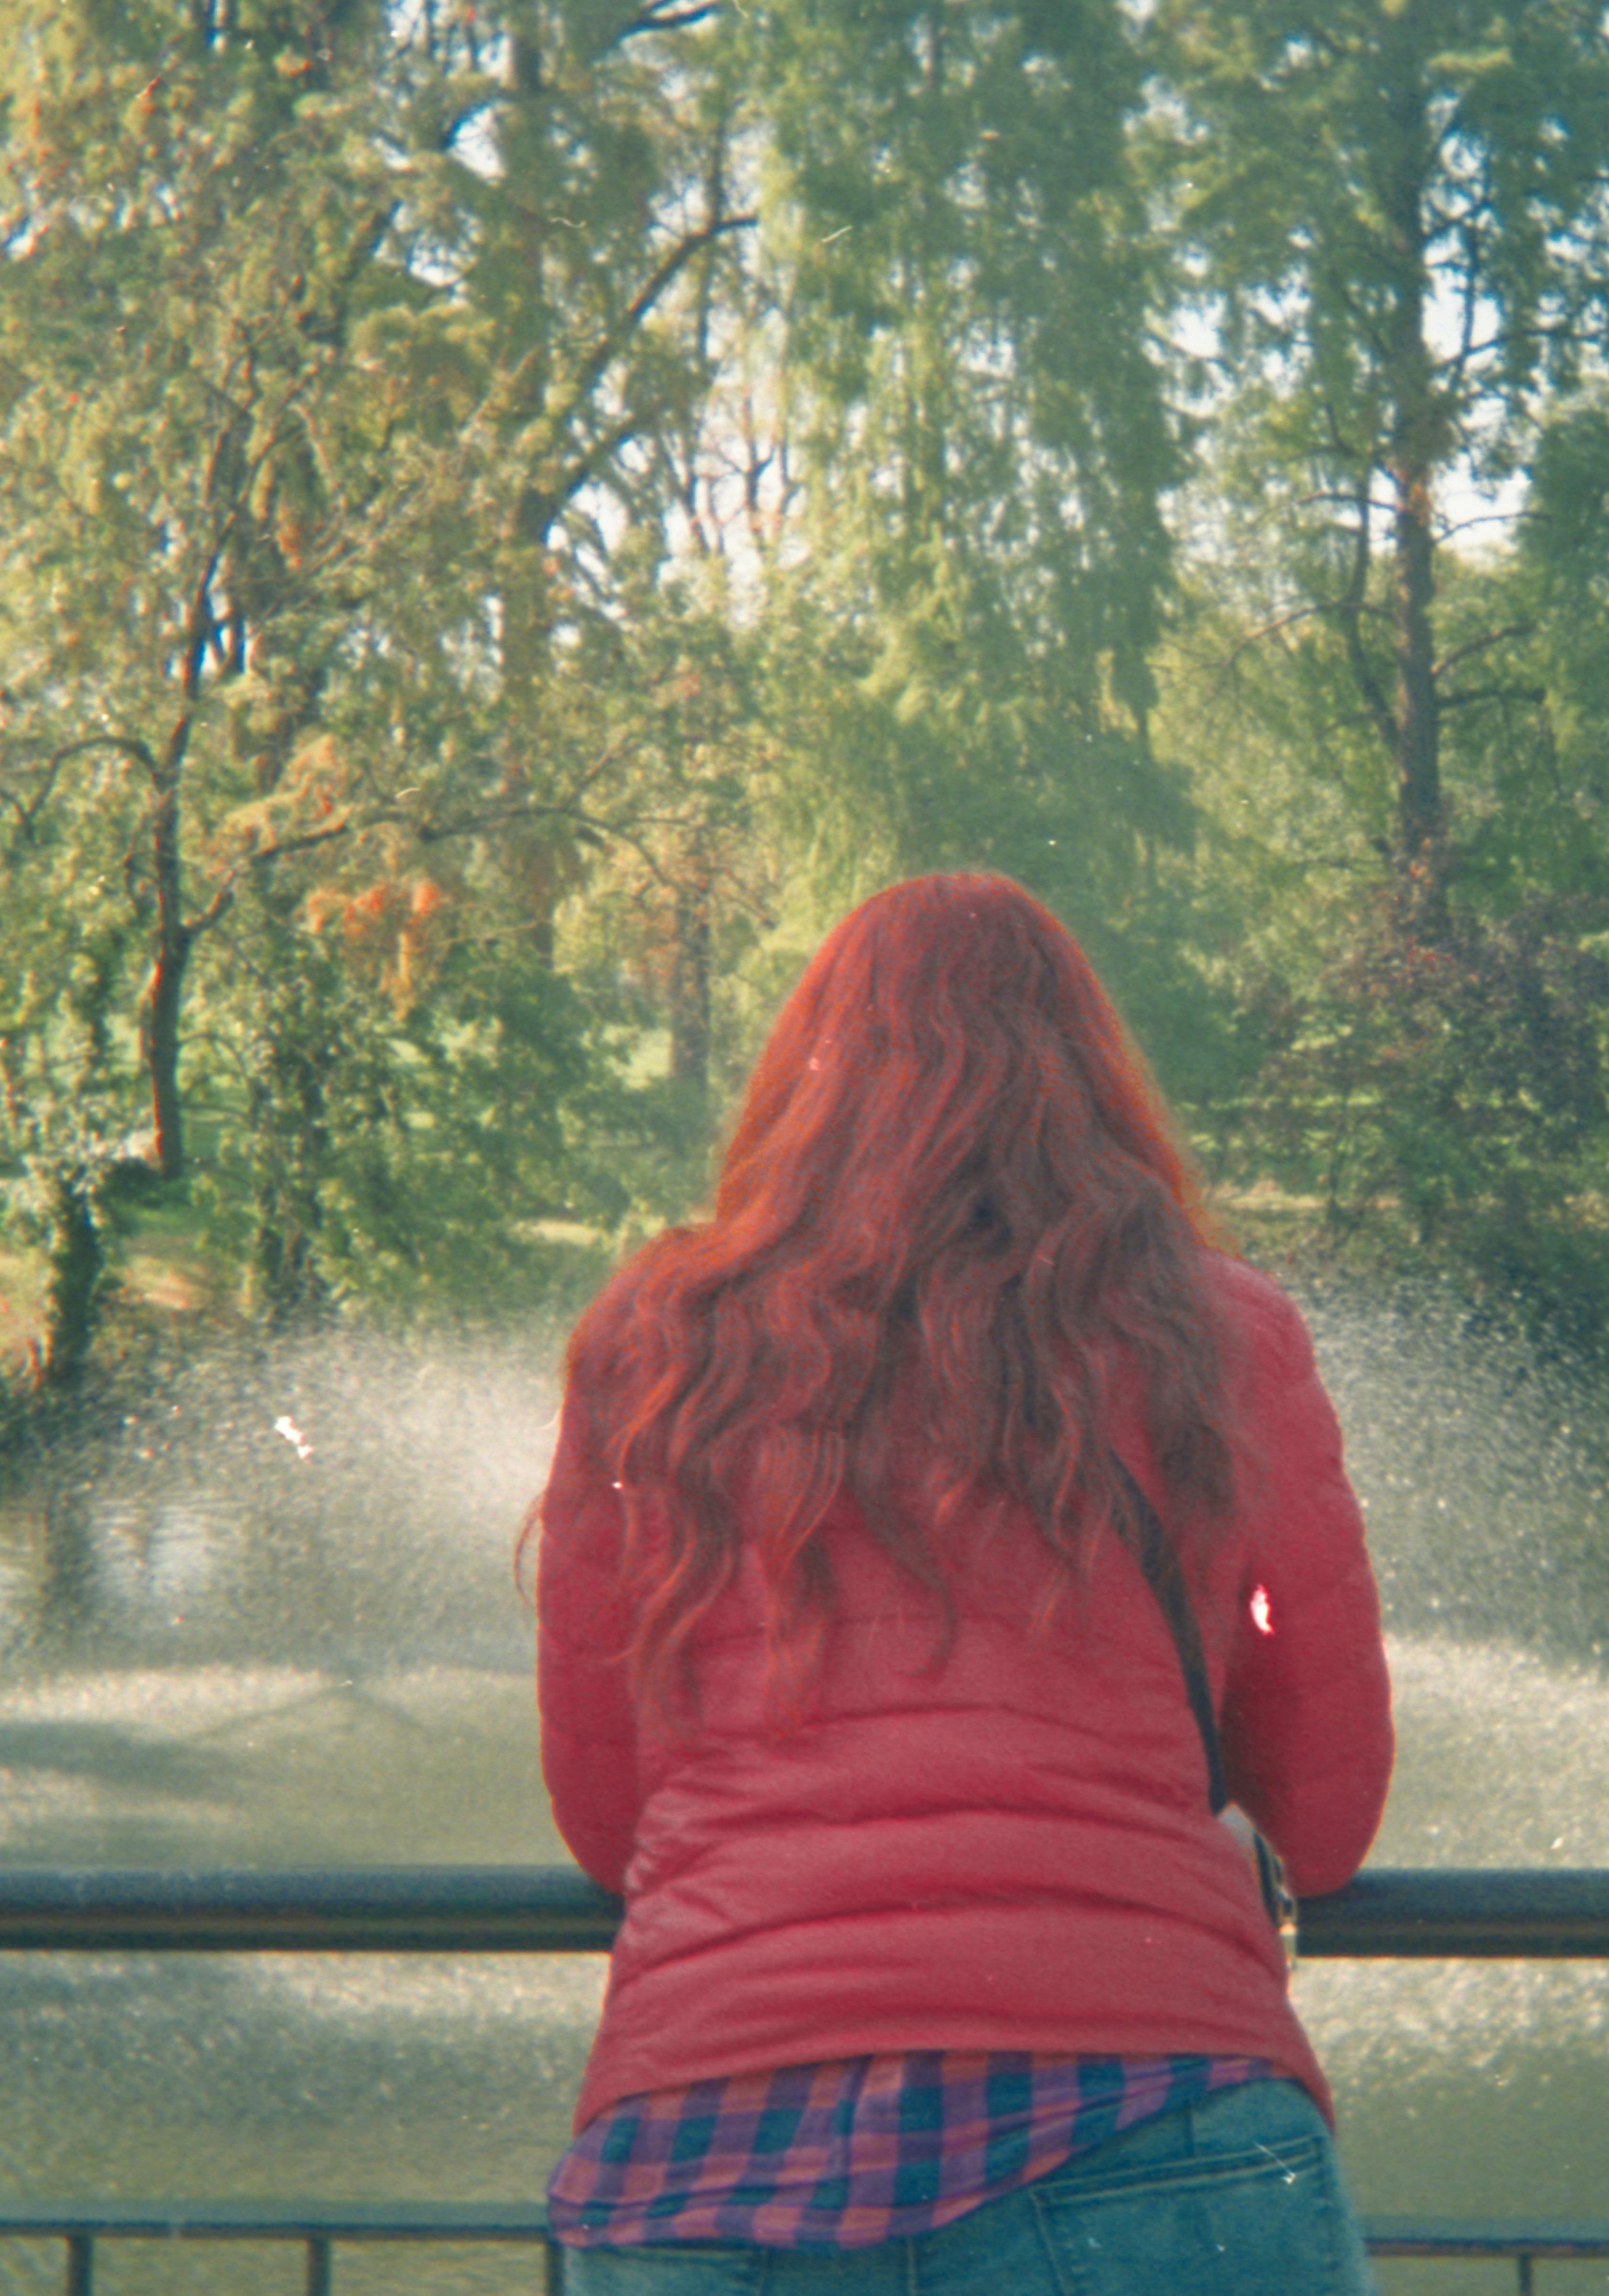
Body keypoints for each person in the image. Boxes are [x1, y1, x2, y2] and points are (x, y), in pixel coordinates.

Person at [534, 873, 1397, 2292]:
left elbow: (606, 1817)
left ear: (809, 1077)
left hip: (709, 2144)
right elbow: (1328, 1815)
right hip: (1153, 2109)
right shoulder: (1217, 1333)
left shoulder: (659, 1343)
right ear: (1089, 1074)